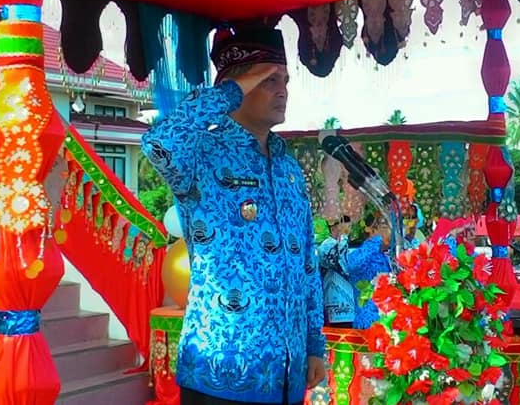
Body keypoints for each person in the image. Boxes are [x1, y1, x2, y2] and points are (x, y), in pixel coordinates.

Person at [142, 23, 326, 405]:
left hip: (286, 376)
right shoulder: (200, 154)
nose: (282, 90)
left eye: (285, 80)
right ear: (237, 85)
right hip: (218, 373)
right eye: (268, 79)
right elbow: (158, 143)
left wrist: (313, 345)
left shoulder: (288, 168)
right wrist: (229, 91)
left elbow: (306, 263)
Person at [346, 213, 392, 330]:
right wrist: (378, 240)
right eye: (385, 227)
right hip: (367, 323)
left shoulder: (388, 256)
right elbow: (352, 265)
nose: (390, 232)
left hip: (387, 321)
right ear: (372, 230)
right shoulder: (360, 253)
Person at [317, 216, 355, 328]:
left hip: (350, 303)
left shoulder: (347, 245)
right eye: (346, 226)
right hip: (334, 302)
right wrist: (343, 237)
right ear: (334, 228)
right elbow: (338, 262)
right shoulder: (325, 247)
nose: (348, 229)